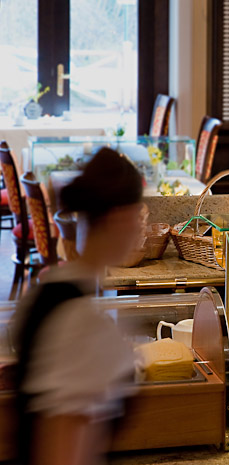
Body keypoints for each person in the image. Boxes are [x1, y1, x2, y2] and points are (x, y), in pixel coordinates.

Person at [12, 148, 144, 465]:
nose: (140, 227)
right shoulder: (81, 323)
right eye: (138, 216)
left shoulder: (49, 289)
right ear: (118, 217)